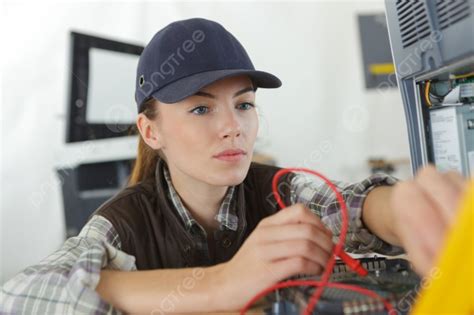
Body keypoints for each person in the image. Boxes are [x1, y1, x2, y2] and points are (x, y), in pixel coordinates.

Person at [1, 18, 468, 314]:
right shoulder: (123, 225)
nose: (233, 127)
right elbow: (21, 297)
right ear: (151, 131)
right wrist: (221, 284)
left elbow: (350, 205)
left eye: (243, 105)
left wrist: (404, 207)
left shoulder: (280, 190)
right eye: (201, 109)